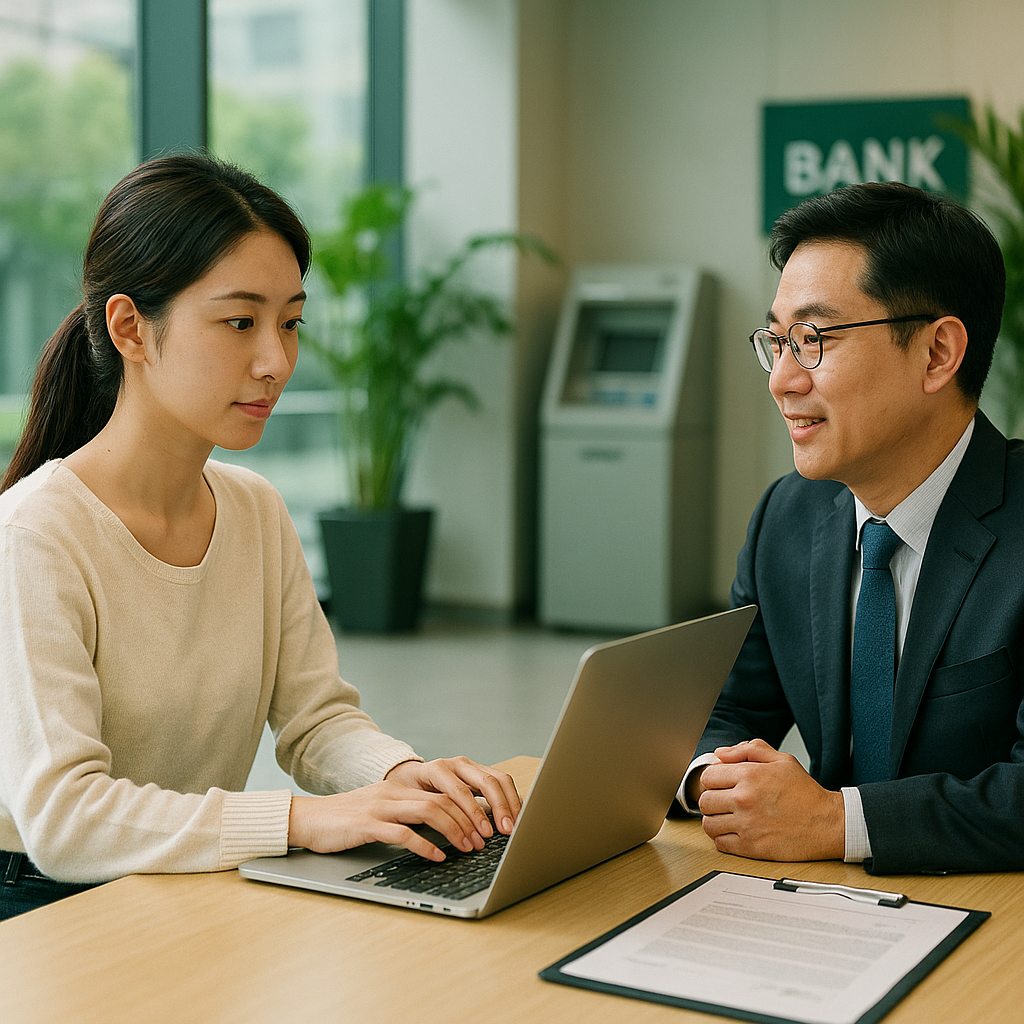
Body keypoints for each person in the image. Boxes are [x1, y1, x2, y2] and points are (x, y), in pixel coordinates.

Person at [0, 154, 520, 922]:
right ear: (130, 328)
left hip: (189, 882)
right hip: (46, 909)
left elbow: (315, 721)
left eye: (290, 322)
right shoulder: (35, 534)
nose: (276, 361)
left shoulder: (254, 511)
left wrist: (403, 774)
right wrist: (299, 821)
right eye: (240, 322)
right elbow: (65, 820)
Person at [676, 180, 1024, 875]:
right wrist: (710, 778)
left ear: (936, 354)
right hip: (822, 912)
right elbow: (722, 712)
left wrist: (836, 822)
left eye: (813, 340)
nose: (780, 380)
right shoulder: (788, 516)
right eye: (776, 341)